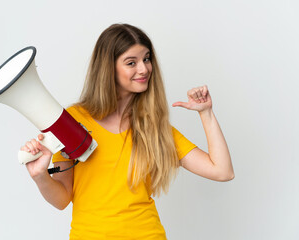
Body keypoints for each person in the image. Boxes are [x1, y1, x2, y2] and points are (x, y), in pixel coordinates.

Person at [21, 23, 234, 239]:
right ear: (108, 68)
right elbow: (62, 199)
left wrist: (206, 113)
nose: (144, 69)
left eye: (147, 59)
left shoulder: (155, 128)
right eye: (131, 62)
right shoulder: (73, 121)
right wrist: (40, 176)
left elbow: (222, 171)